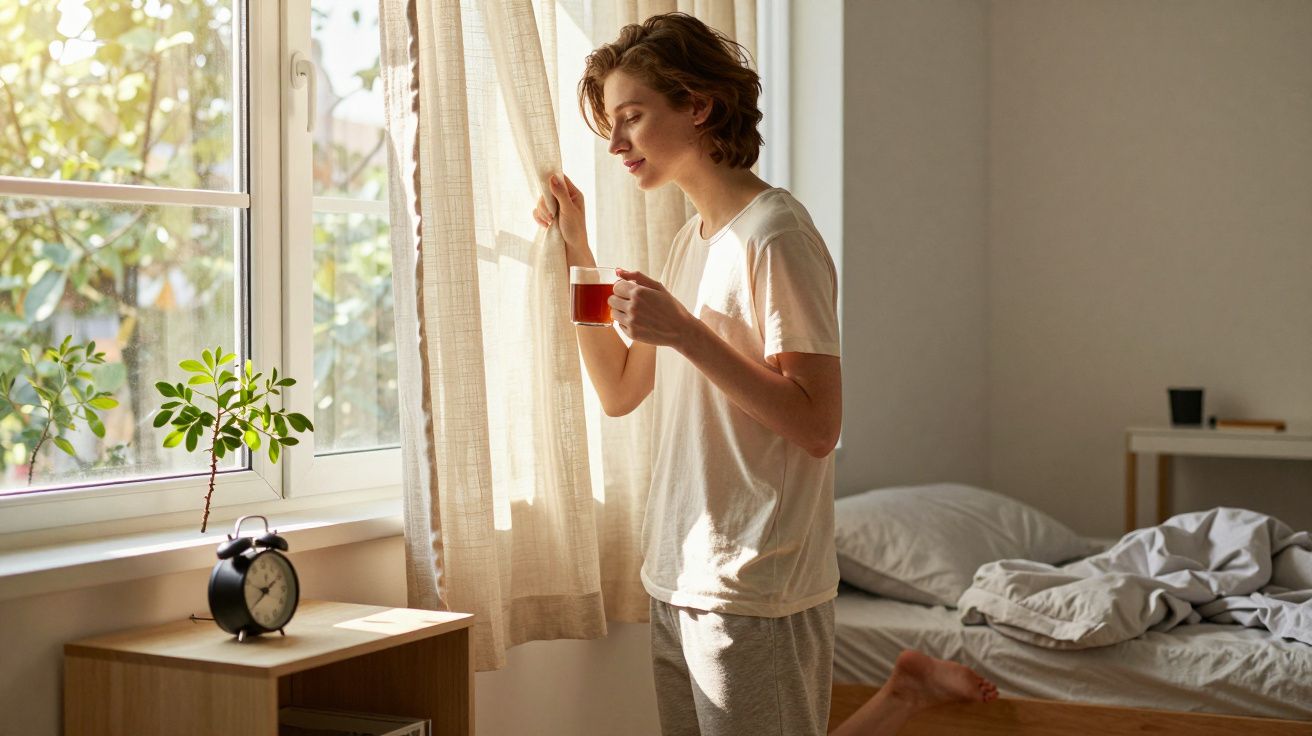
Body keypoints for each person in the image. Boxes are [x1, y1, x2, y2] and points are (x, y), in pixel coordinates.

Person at [533, 13, 997, 735]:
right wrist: (578, 249)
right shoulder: (693, 239)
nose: (616, 143)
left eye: (632, 117)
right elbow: (620, 393)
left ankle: (902, 694)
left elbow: (818, 425)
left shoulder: (776, 235)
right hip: (677, 576)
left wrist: (685, 333)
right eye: (610, 124)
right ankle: (903, 694)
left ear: (698, 105)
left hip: (757, 585)